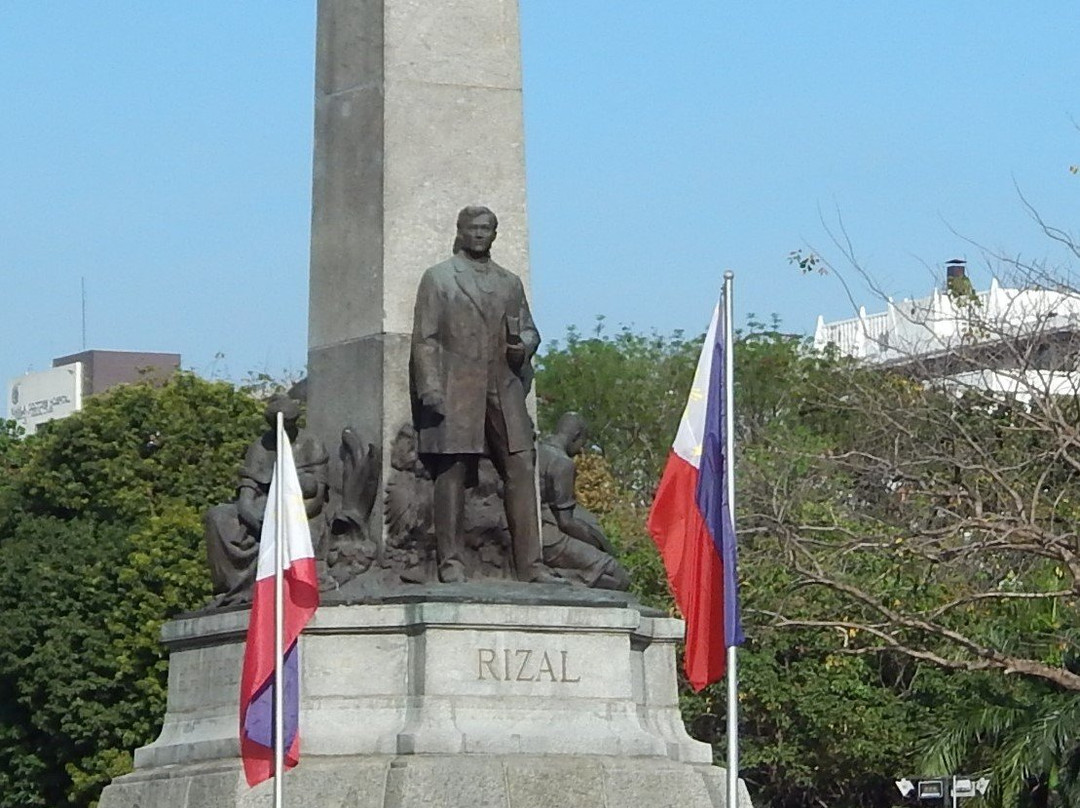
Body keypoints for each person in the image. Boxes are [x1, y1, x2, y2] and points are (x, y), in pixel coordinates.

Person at [411, 205, 561, 584]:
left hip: (503, 386)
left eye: (486, 229)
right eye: (473, 228)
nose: (479, 234)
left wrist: (521, 348)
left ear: (494, 234)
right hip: (456, 385)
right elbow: (425, 339)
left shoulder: (509, 282)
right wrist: (429, 387)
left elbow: (530, 330)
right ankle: (451, 560)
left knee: (522, 466)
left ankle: (530, 563)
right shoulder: (440, 278)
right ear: (460, 232)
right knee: (453, 469)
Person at [204, 395, 329, 605]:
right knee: (216, 516)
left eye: (288, 425)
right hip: (261, 510)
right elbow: (246, 496)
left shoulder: (311, 444)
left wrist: (285, 519)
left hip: (298, 512)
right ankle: (229, 588)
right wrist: (254, 517)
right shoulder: (260, 446)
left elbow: (316, 498)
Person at [539, 413, 631, 590]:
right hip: (550, 539)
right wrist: (601, 545)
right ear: (576, 436)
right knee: (618, 575)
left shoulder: (536, 450)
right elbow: (565, 522)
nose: (582, 449)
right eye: (583, 441)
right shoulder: (562, 463)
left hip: (532, 535)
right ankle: (560, 576)